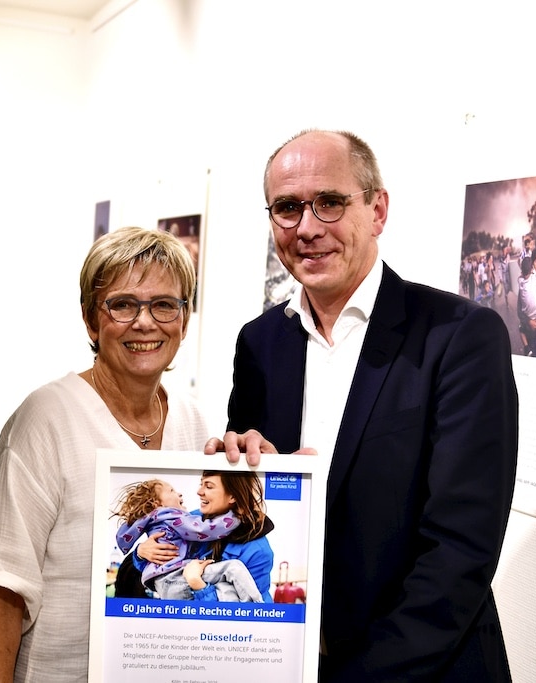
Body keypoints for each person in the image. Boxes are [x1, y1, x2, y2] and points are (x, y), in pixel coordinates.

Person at [208, 129, 518, 681]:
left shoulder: (461, 336)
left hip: (425, 671)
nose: (307, 228)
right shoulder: (258, 345)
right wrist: (241, 473)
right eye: (287, 208)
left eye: (329, 203)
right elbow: (257, 519)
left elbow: (459, 551)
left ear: (378, 210)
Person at [0, 227, 208, 682]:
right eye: (122, 304)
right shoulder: (47, 418)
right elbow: (2, 589)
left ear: (184, 319)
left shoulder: (195, 424)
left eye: (163, 305)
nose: (145, 322)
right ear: (91, 320)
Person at [112, 478, 263, 602]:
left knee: (228, 587)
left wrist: (197, 583)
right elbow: (204, 529)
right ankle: (257, 610)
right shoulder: (175, 517)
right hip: (175, 579)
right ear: (157, 504)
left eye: (209, 486)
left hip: (167, 583)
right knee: (233, 570)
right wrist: (140, 552)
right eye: (172, 491)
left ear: (233, 496)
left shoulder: (159, 520)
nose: (198, 492)